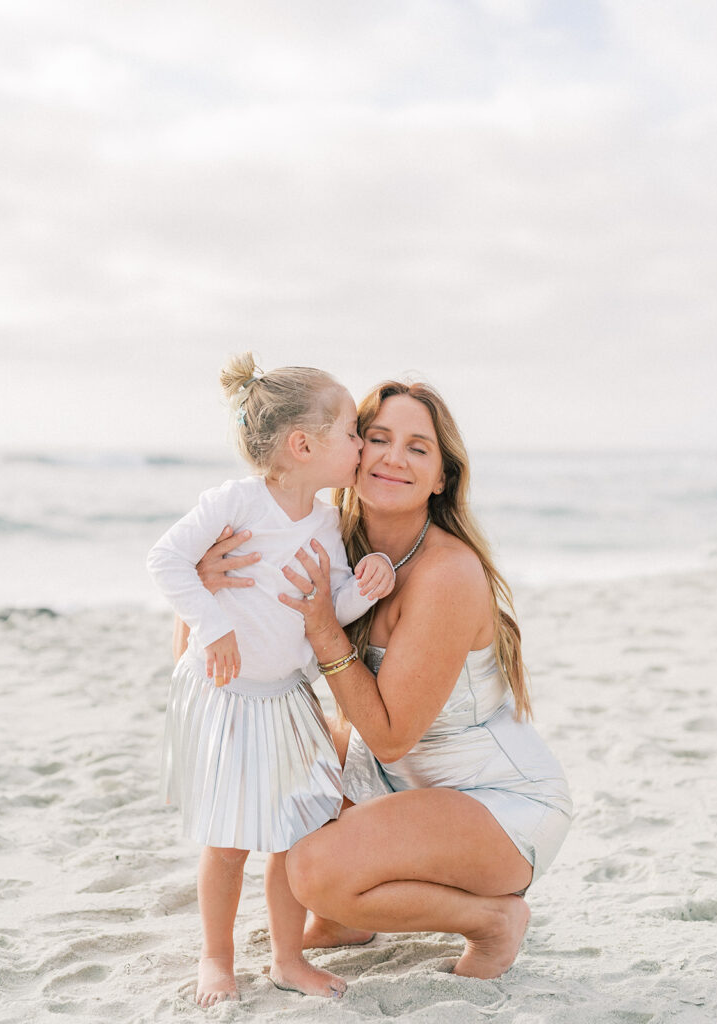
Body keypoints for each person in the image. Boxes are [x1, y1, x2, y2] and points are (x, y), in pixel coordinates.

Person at [192, 379, 573, 981]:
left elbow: (391, 737)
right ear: (351, 450)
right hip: (398, 781)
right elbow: (213, 654)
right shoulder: (330, 542)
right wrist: (207, 589)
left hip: (497, 805)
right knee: (288, 762)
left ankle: (492, 921)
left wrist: (324, 629)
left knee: (314, 868)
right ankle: (348, 920)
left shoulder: (447, 573)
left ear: (442, 477)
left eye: (419, 448)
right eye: (378, 438)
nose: (394, 457)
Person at [146, 354, 395, 1007]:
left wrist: (362, 590)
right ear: (302, 444)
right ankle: (216, 957)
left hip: (287, 699)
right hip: (226, 695)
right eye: (352, 433)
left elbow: (326, 605)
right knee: (228, 842)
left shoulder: (326, 523)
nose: (361, 446)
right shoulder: (234, 502)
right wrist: (213, 626)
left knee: (293, 832)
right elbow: (166, 560)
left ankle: (288, 957)